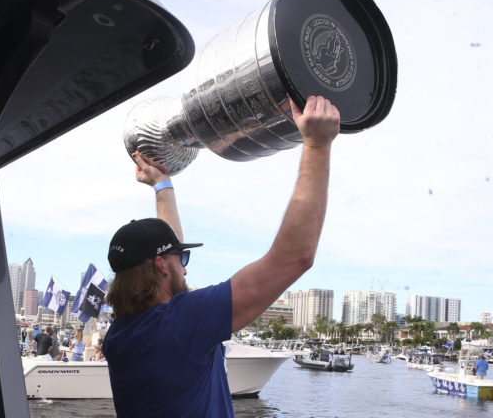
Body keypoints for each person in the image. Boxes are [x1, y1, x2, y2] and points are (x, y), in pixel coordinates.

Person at [103, 95, 340, 417]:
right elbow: (294, 257)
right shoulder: (180, 325)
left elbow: (167, 255)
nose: (185, 271)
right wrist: (316, 146)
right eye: (181, 261)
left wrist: (163, 186)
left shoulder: (121, 335)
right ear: (160, 266)